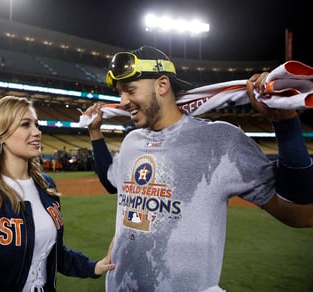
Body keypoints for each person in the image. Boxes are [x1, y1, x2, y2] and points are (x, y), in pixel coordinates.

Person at [85, 46, 313, 292]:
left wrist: (286, 125)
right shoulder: (132, 141)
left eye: (129, 90)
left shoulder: (220, 141)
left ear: (162, 85)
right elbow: (111, 183)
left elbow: (300, 214)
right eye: (120, 93)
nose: (122, 102)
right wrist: (94, 133)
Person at [0, 96, 115, 292]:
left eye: (36, 125)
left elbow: (54, 253)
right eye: (25, 125)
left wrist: (94, 267)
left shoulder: (47, 186)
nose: (37, 132)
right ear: (1, 134)